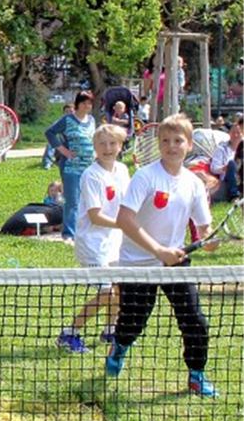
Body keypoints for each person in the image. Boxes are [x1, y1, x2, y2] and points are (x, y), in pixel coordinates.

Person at [107, 113, 218, 398]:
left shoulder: (194, 183)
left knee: (195, 321)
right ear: (159, 144)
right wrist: (158, 251)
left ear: (189, 145)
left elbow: (204, 229)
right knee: (133, 322)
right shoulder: (145, 176)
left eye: (178, 140)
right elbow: (124, 219)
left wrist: (208, 241)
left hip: (176, 262)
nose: (172, 146)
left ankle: (196, 375)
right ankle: (119, 346)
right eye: (166, 141)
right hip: (137, 263)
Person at [56, 124, 130, 354]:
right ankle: (69, 333)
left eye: (112, 143)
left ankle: (110, 330)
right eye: (102, 144)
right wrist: (125, 224)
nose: (107, 148)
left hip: (115, 241)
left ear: (120, 145)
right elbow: (95, 216)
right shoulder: (91, 175)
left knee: (118, 287)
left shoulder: (122, 170)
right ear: (94, 147)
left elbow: (128, 205)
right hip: (92, 243)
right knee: (106, 292)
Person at [44, 90, 97, 242]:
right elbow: (50, 133)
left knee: (87, 199)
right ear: (77, 104)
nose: (87, 106)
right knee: (72, 201)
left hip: (89, 166)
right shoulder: (68, 119)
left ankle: (84, 229)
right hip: (71, 167)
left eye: (89, 103)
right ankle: (69, 234)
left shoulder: (92, 120)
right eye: (84, 103)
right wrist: (64, 151)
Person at [209, 120, 241, 200]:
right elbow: (214, 168)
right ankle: (234, 196)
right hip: (227, 179)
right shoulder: (221, 149)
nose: (236, 135)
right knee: (232, 163)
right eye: (234, 132)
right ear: (229, 134)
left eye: (239, 132)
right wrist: (224, 168)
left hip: (241, 176)